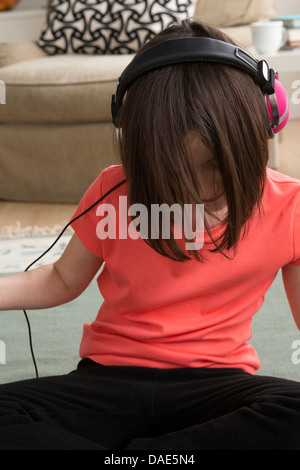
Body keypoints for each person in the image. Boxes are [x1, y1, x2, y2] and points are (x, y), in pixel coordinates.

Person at [0, 19, 299, 451]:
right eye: (173, 175)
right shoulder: (114, 189)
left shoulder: (290, 206)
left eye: (213, 166)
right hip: (108, 381)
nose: (196, 193)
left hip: (215, 386)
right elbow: (61, 280)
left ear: (262, 128)